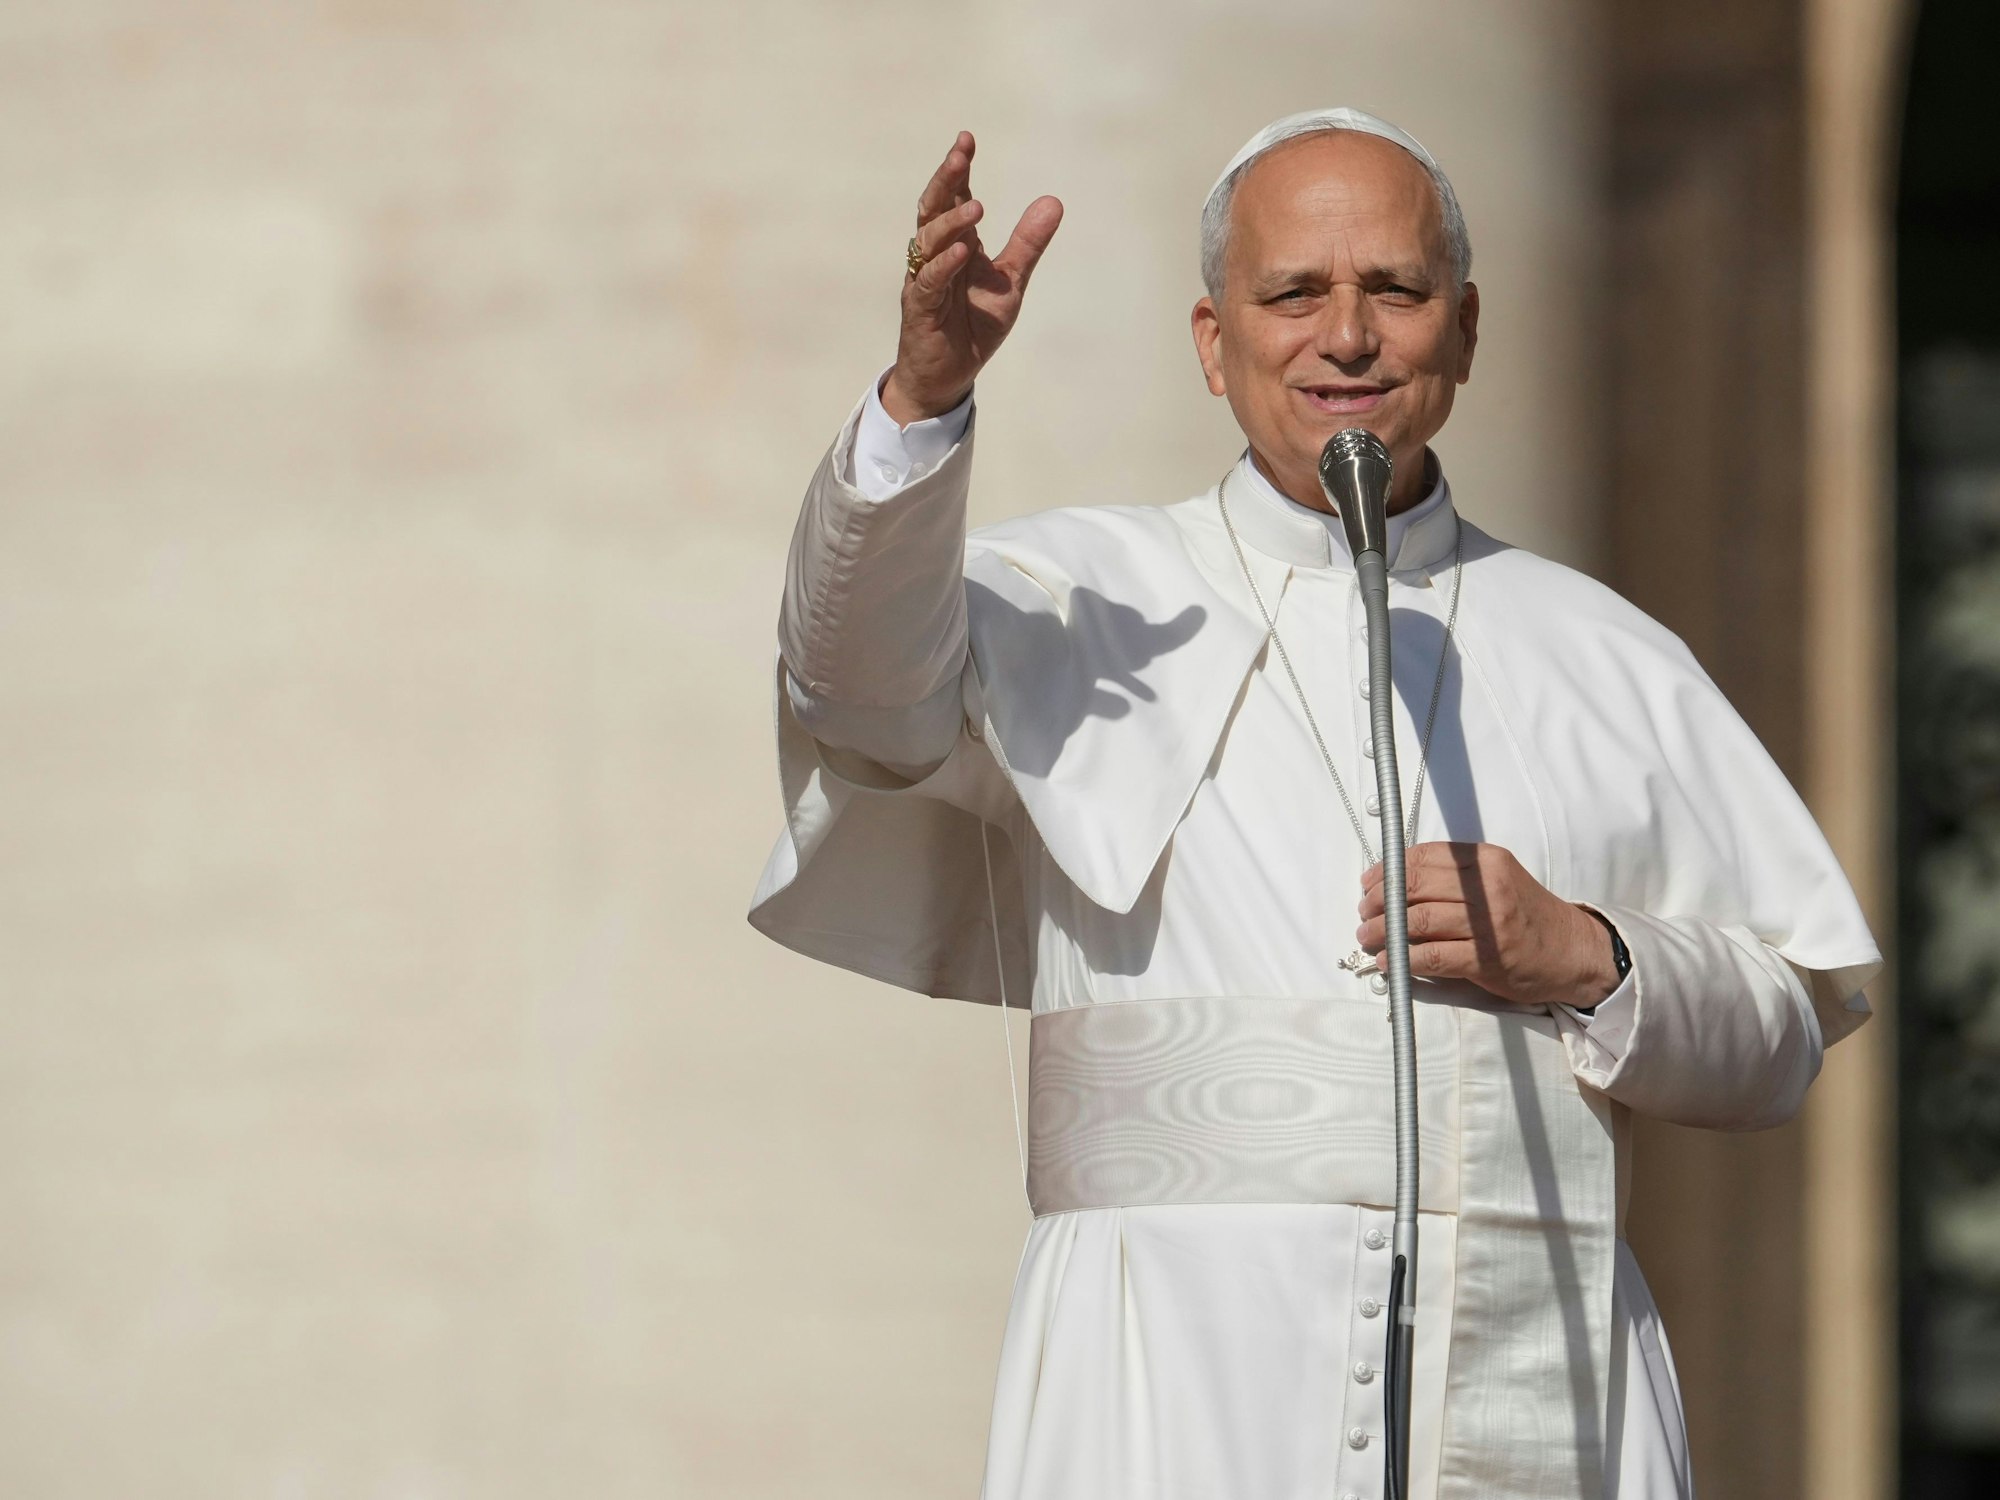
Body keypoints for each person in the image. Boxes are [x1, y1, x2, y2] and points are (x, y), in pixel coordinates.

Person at [747, 108, 1880, 1500]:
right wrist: (921, 402)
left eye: (1394, 292)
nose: (1346, 337)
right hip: (1163, 1385)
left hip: (1549, 1382)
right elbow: (854, 691)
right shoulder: (1080, 600)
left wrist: (1586, 954)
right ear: (1215, 343)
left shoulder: (1606, 653)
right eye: (1293, 294)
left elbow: (1781, 1037)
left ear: (1464, 331)